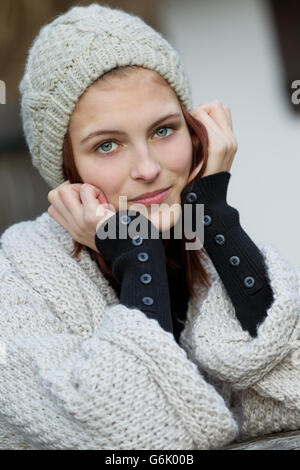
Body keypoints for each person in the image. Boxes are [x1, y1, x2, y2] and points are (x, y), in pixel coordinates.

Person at [0, 3, 299, 451]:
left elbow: (290, 398)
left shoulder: (202, 239)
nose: (148, 168)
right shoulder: (19, 275)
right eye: (106, 145)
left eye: (163, 131)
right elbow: (135, 438)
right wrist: (134, 250)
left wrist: (216, 216)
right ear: (65, 168)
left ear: (196, 130)